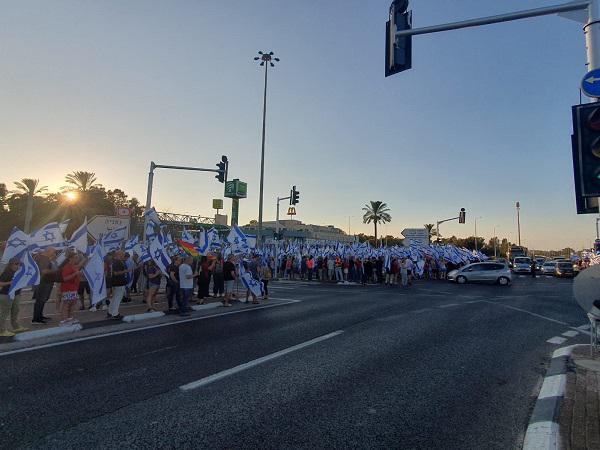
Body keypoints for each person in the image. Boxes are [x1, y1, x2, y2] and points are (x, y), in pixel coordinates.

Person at [0, 258, 29, 337]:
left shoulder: (18, 272)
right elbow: (0, 283)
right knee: (4, 313)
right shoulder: (7, 272)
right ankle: (1, 330)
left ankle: (16, 326)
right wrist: (10, 282)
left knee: (15, 310)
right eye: (16, 264)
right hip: (6, 294)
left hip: (16, 294)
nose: (18, 266)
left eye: (19, 264)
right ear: (11, 264)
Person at [32, 247, 57, 324]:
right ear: (48, 251)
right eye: (53, 252)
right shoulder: (43, 259)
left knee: (42, 300)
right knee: (40, 300)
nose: (54, 254)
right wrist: (55, 271)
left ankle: (39, 316)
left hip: (44, 283)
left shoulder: (44, 258)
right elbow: (44, 271)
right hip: (43, 283)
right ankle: (36, 319)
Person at [59, 253, 85, 326]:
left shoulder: (73, 266)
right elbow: (65, 278)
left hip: (74, 288)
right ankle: (63, 320)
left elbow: (80, 266)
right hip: (68, 288)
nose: (77, 259)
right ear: (70, 258)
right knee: (66, 304)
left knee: (72, 303)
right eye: (76, 257)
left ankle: (69, 318)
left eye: (77, 257)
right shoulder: (67, 267)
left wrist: (79, 274)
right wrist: (75, 274)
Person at [107, 251, 128, 319]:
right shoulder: (118, 262)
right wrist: (126, 271)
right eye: (123, 254)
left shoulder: (113, 261)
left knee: (114, 298)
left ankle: (110, 312)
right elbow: (116, 273)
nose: (123, 256)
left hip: (115, 282)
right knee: (117, 298)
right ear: (119, 254)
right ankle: (115, 314)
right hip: (119, 282)